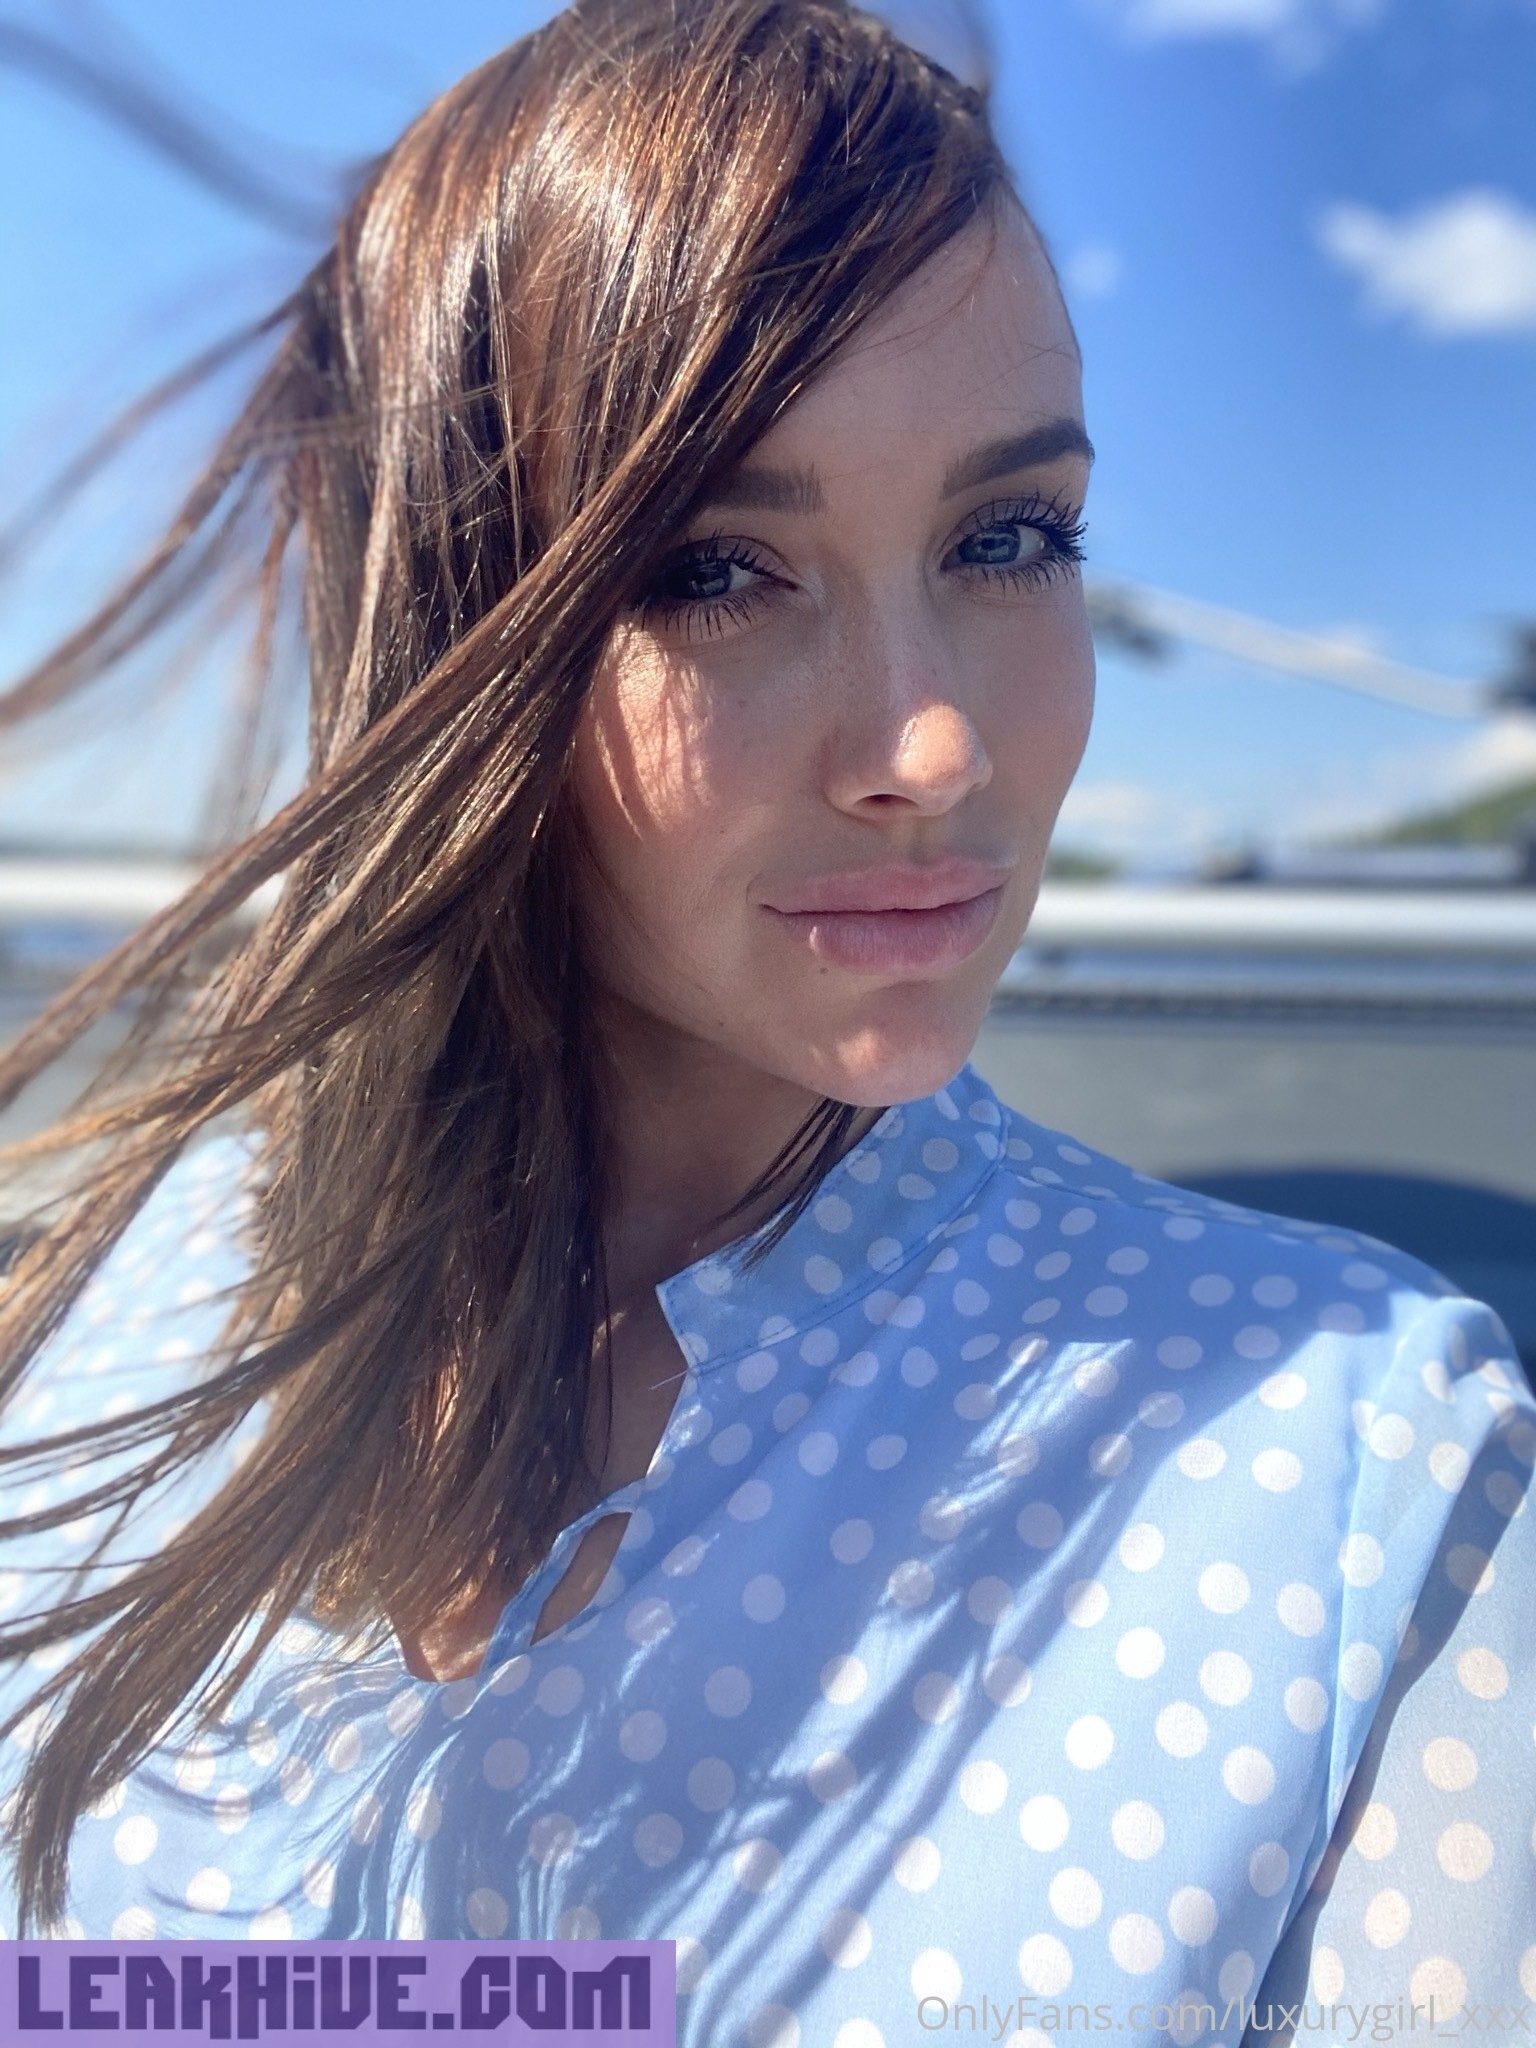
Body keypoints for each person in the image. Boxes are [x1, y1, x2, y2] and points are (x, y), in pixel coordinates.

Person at [0, 0, 1531, 2035]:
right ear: (448, 627)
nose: (934, 745)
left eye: (1009, 539)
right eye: (719, 567)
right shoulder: (97, 1318)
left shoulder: (1360, 1473)